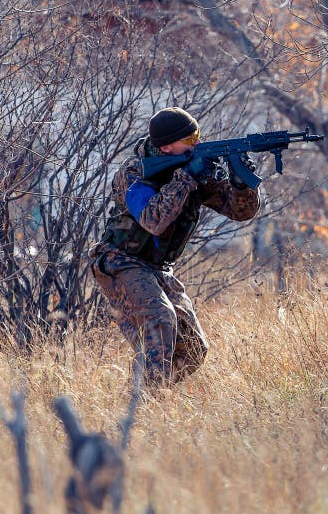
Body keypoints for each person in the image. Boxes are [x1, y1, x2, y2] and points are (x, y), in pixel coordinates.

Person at [90, 107, 260, 384]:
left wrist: (242, 185)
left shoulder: (192, 168)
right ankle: (142, 406)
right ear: (167, 147)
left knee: (193, 349)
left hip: (158, 268)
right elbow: (152, 221)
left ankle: (149, 392)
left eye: (198, 136)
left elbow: (240, 211)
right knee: (160, 320)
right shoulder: (133, 174)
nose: (197, 143)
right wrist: (186, 178)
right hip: (121, 262)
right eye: (190, 139)